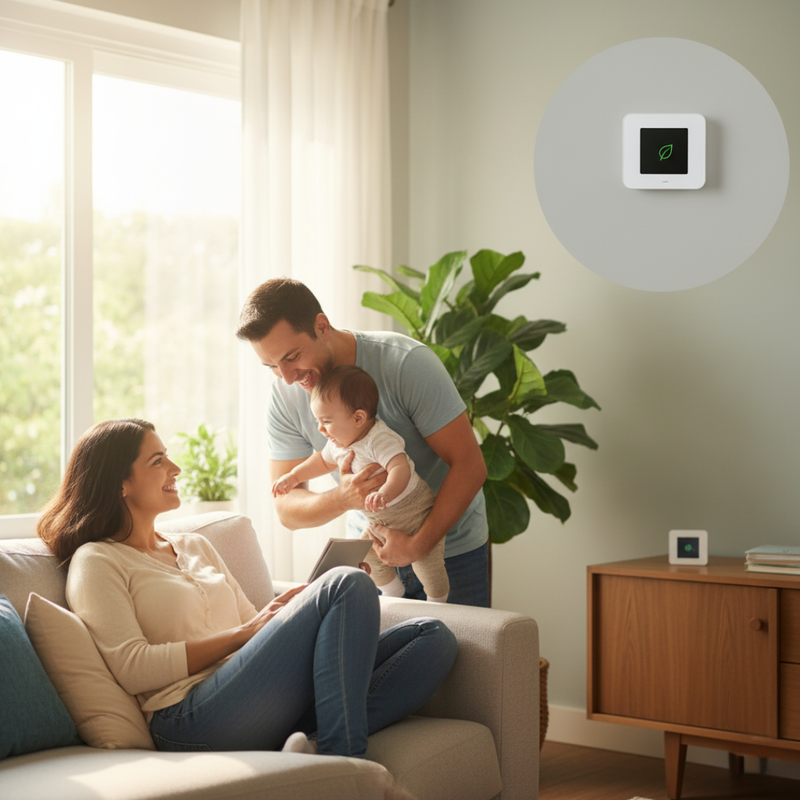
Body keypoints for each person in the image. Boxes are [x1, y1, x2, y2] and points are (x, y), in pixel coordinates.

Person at [36, 418, 457, 766]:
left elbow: (251, 622)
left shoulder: (195, 545)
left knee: (432, 638)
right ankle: (342, 765)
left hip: (253, 693)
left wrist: (293, 607)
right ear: (120, 484)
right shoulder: (97, 560)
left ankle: (310, 746)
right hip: (188, 716)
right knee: (345, 586)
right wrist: (247, 633)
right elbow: (132, 667)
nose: (176, 469)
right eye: (158, 461)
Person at [236, 278, 490, 607]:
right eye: (272, 366)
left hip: (451, 551)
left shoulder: (405, 364)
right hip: (375, 552)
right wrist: (343, 498)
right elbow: (286, 507)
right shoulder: (285, 396)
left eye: (292, 356)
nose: (287, 377)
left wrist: (417, 545)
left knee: (468, 656)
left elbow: (470, 465)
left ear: (322, 326)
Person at [272, 364, 449, 603]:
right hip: (380, 519)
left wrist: (385, 492)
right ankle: (393, 593)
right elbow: (320, 462)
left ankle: (438, 600)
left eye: (326, 421)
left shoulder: (377, 438)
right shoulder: (338, 444)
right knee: (369, 556)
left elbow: (400, 468)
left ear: (358, 418)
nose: (321, 429)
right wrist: (294, 477)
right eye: (318, 422)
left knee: (426, 563)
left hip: (415, 513)